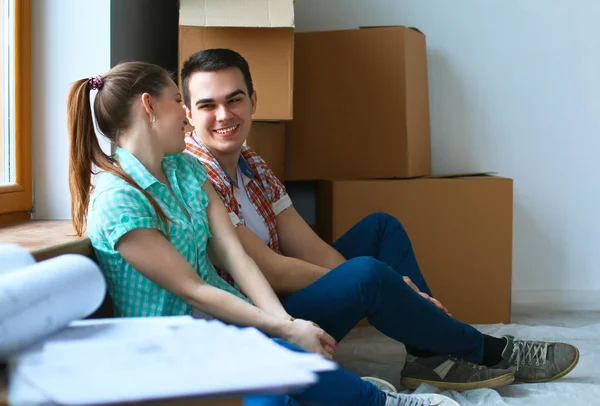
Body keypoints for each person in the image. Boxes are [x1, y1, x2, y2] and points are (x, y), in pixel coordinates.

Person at [180, 48, 580, 391]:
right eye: (207, 105)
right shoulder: (193, 174)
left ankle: (427, 356)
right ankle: (488, 350)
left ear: (253, 99)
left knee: (380, 229)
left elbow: (308, 246)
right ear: (187, 113)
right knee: (369, 274)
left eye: (234, 100)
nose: (223, 115)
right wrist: (382, 282)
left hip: (286, 297)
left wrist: (392, 287)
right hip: (260, 321)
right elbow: (270, 270)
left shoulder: (250, 162)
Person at [66, 61, 458, 406]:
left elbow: (235, 254)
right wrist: (283, 327)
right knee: (280, 375)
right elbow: (194, 290)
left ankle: (402, 369)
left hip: (225, 322)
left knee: (286, 356)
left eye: (235, 100)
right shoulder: (118, 201)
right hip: (171, 345)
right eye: (177, 100)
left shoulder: (184, 169)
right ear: (149, 106)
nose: (186, 116)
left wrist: (285, 323)